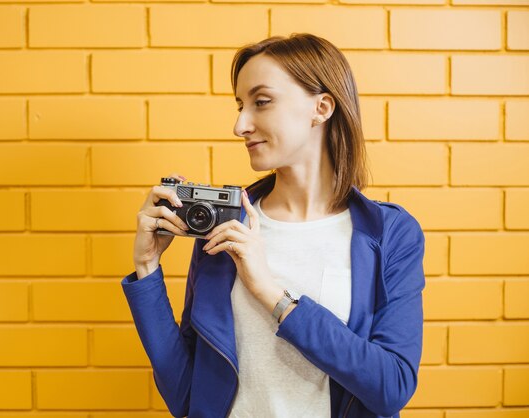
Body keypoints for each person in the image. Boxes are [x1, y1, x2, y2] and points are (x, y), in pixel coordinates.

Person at [122, 33, 425, 418]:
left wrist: (270, 292)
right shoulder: (227, 228)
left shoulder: (388, 233)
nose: (240, 125)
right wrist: (147, 268)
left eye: (261, 102)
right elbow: (185, 394)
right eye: (240, 105)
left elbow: (391, 386)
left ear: (322, 107)